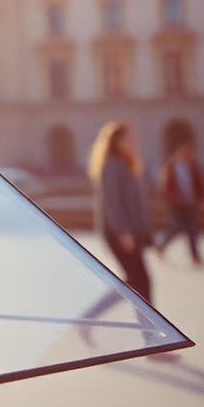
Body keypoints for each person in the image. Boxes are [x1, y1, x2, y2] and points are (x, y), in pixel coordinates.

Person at [77, 121, 158, 344]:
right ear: (116, 142)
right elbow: (113, 203)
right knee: (140, 282)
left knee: (137, 282)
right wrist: (124, 232)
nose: (134, 143)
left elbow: (136, 204)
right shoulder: (112, 165)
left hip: (130, 233)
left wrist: (145, 234)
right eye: (129, 139)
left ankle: (87, 317)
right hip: (120, 234)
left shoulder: (125, 164)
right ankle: (151, 339)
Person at [156, 141, 204, 265]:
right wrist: (170, 198)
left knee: (193, 230)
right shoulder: (172, 167)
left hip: (191, 203)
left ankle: (195, 256)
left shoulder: (193, 167)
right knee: (176, 227)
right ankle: (161, 245)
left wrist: (199, 198)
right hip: (178, 203)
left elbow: (199, 184)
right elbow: (165, 184)